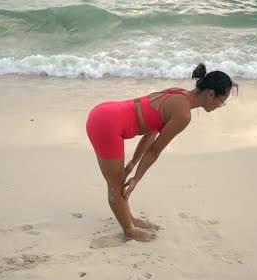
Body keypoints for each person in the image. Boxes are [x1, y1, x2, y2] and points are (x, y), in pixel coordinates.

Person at [86, 63, 237, 242]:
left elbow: (151, 132)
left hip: (106, 111)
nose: (221, 105)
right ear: (211, 94)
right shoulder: (183, 114)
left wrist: (134, 164)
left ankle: (129, 219)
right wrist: (136, 179)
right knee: (115, 185)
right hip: (107, 125)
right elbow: (155, 150)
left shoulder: (178, 92)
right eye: (222, 101)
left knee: (118, 182)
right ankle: (128, 230)